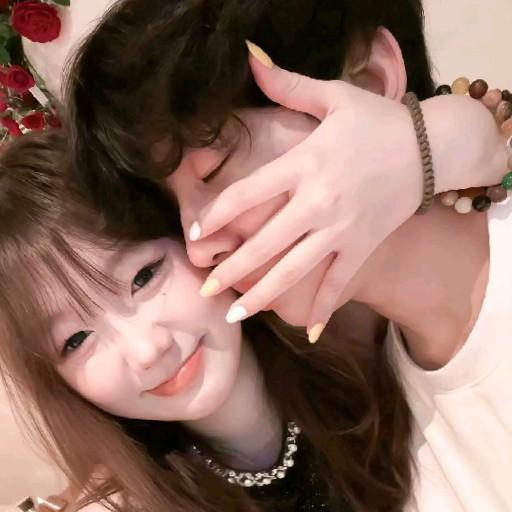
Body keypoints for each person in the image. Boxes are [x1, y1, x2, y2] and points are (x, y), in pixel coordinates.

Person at [63, 0, 511, 510]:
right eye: (174, 211)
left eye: (214, 171)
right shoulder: (375, 396)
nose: (200, 248)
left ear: (369, 81)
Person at [0, 131, 412, 512]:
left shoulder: (376, 334)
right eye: (75, 340)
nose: (146, 350)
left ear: (192, 235)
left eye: (143, 277)